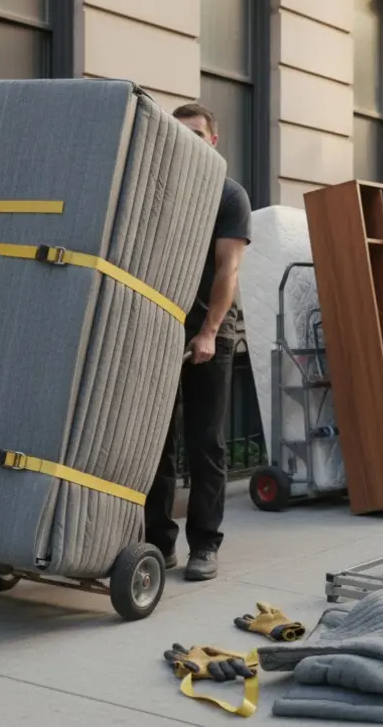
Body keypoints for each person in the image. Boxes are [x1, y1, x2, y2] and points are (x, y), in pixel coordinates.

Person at [144, 102, 252, 582]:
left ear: (213, 140)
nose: (187, 141)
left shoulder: (229, 196)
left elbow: (229, 269)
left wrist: (208, 331)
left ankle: (204, 545)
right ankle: (159, 543)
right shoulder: (161, 192)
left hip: (212, 331)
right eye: (179, 133)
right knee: (156, 442)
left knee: (206, 442)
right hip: (160, 329)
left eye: (196, 134)